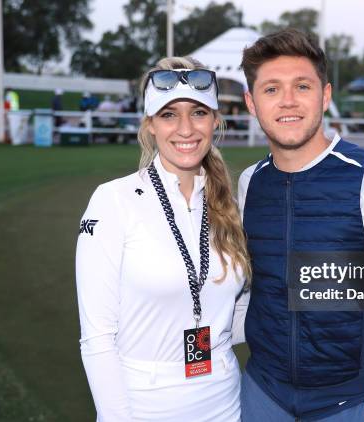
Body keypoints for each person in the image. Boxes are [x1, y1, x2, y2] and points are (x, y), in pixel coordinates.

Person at [236, 29, 364, 421]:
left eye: (302, 86)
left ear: (325, 96)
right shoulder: (250, 183)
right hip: (262, 396)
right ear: (251, 103)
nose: (288, 101)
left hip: (349, 405)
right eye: (271, 89)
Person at [75, 56, 251, 421]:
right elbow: (97, 340)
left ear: (215, 120)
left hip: (226, 402)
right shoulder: (113, 201)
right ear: (150, 125)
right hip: (144, 406)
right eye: (169, 114)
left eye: (199, 113)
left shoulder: (228, 205)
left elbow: (236, 312)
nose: (186, 128)